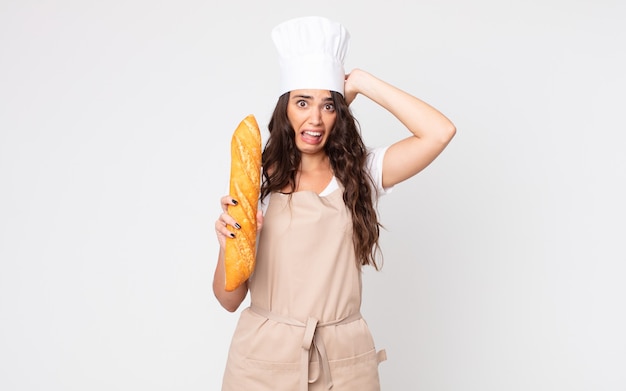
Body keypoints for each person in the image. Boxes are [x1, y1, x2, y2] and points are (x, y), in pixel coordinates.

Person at [213, 16, 455, 390]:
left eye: (328, 106)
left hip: (343, 364)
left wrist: (360, 81)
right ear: (285, 109)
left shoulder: (361, 174)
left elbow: (439, 132)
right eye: (303, 102)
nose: (315, 118)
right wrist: (226, 243)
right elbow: (230, 301)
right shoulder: (258, 181)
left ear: (340, 112)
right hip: (262, 364)